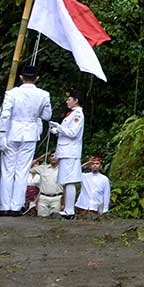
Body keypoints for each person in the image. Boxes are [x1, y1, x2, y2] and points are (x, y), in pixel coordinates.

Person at [0, 65, 52, 215]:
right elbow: (47, 116)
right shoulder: (43, 95)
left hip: (12, 131)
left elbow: (5, 115)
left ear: (21, 77)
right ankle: (16, 206)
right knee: (22, 170)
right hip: (30, 133)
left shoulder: (11, 93)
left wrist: (2, 135)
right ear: (37, 78)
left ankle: (4, 206)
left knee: (7, 170)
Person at [49, 90, 84, 219]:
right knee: (67, 181)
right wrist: (56, 131)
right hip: (66, 151)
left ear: (76, 100)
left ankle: (70, 210)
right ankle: (68, 209)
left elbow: (73, 133)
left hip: (70, 151)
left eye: (69, 99)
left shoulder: (78, 114)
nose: (67, 101)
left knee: (69, 181)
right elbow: (66, 133)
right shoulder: (72, 114)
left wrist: (58, 127)